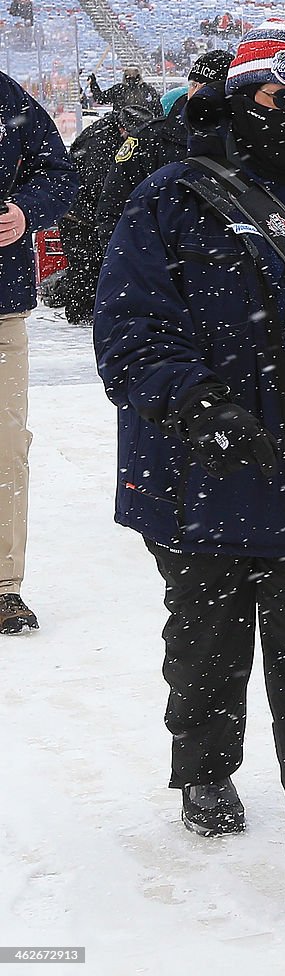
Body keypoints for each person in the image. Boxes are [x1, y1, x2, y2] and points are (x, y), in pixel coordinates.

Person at [94, 18, 285, 914]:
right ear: (238, 96)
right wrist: (195, 406)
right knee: (206, 646)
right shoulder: (172, 196)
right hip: (201, 478)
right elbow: (130, 328)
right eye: (273, 93)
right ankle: (203, 766)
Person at [0, 71, 78, 634]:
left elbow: (60, 175)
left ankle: (4, 586)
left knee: (5, 448)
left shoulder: (5, 97)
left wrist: (25, 210)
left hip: (1, 306)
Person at [97, 49, 232, 245]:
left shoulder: (246, 139)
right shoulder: (149, 140)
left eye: (211, 87)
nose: (199, 93)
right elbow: (114, 209)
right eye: (194, 85)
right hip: (161, 263)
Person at [60, 101, 160, 325]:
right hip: (78, 214)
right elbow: (103, 190)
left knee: (96, 266)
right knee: (85, 268)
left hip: (90, 210)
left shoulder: (119, 134)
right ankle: (80, 316)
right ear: (122, 129)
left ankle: (93, 313)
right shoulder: (100, 143)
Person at [88, 67, 163, 117]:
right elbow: (158, 111)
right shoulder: (148, 90)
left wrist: (93, 83)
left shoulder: (118, 89)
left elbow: (100, 98)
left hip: (121, 128)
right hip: (144, 128)